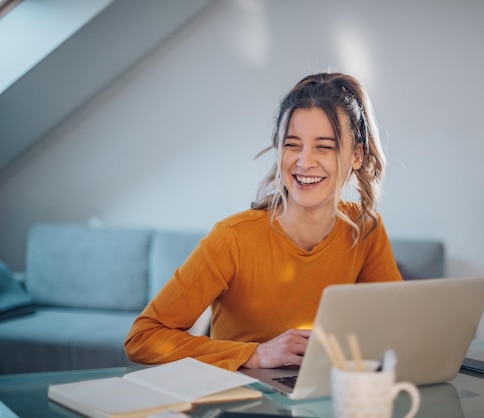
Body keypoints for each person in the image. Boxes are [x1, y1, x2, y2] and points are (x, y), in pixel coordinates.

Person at [124, 72, 402, 371]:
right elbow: (143, 337)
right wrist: (255, 354)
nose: (305, 162)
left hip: (322, 393)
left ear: (357, 155)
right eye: (293, 144)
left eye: (325, 146)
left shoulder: (365, 229)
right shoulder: (233, 237)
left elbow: (397, 329)